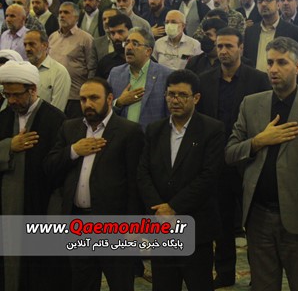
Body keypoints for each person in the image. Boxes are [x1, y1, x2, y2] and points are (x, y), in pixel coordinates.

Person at [226, 37, 298, 291]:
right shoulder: (251, 104)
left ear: (297, 67)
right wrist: (258, 141)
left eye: (282, 63)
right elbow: (230, 153)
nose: (274, 69)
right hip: (258, 216)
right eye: (270, 62)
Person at [45, 77, 144, 291]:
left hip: (115, 225)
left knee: (120, 283)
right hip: (78, 222)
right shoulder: (69, 128)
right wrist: (73, 151)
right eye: (83, 99)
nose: (87, 104)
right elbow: (50, 167)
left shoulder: (129, 131)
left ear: (109, 99)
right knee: (82, 284)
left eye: (93, 98)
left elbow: (136, 183)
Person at [196, 27, 270, 288]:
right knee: (222, 222)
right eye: (220, 46)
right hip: (216, 162)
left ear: (241, 48)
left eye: (229, 46)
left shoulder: (258, 80)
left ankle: (258, 275)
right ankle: (225, 272)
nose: (223, 51)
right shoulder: (204, 80)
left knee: (254, 224)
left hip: (249, 160)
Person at [138, 69, 224, 290]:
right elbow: (143, 172)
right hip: (160, 225)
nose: (175, 100)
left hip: (195, 225)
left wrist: (173, 207)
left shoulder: (211, 129)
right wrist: (159, 209)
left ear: (196, 98)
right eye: (171, 94)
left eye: (182, 95)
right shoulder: (155, 130)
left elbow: (209, 176)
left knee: (199, 284)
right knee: (163, 285)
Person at [0, 60, 67, 291]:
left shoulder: (56, 120)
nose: (11, 101)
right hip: (8, 207)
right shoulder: (3, 118)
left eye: (16, 95)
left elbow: (60, 168)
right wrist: (9, 146)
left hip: (42, 205)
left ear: (33, 90)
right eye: (7, 94)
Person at [107, 27, 173, 130]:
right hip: (122, 136)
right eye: (127, 43)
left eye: (135, 43)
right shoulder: (115, 74)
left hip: (152, 136)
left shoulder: (166, 75)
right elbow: (104, 108)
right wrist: (119, 102)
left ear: (148, 51)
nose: (128, 47)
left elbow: (171, 114)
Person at [48, 2, 94, 118]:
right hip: (53, 94)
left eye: (66, 12)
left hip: (75, 96)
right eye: (60, 12)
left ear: (76, 17)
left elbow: (92, 67)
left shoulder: (86, 38)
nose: (62, 15)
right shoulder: (52, 37)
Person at [243, 0, 298, 71]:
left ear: (278, 5)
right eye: (260, 1)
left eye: (268, 0)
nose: (263, 4)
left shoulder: (293, 31)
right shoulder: (250, 32)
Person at [24, 29, 71, 111]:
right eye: (25, 45)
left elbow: (57, 110)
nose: (27, 48)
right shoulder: (22, 70)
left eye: (32, 44)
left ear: (45, 45)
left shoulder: (59, 72)